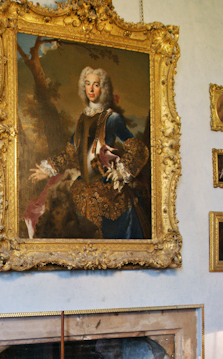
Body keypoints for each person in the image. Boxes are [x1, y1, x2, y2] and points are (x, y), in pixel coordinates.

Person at [27, 67, 150, 239]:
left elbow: (136, 147)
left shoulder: (112, 119)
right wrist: (48, 169)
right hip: (82, 189)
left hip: (108, 190)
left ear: (103, 88)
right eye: (88, 84)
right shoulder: (82, 120)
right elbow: (70, 153)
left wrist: (123, 171)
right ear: (83, 88)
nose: (91, 89)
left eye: (96, 85)